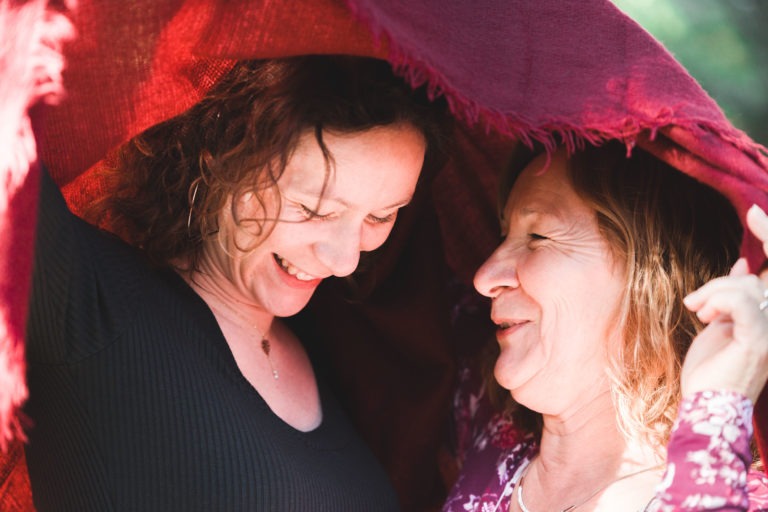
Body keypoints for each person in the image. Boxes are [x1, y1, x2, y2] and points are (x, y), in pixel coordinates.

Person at [23, 55, 446, 511]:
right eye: (313, 210)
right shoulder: (92, 303)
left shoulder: (343, 348)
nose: (345, 260)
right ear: (225, 158)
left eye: (381, 216)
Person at [443, 141, 768, 511]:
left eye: (538, 237)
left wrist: (714, 417)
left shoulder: (730, 489)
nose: (484, 277)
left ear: (651, 275)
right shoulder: (489, 421)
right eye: (503, 237)